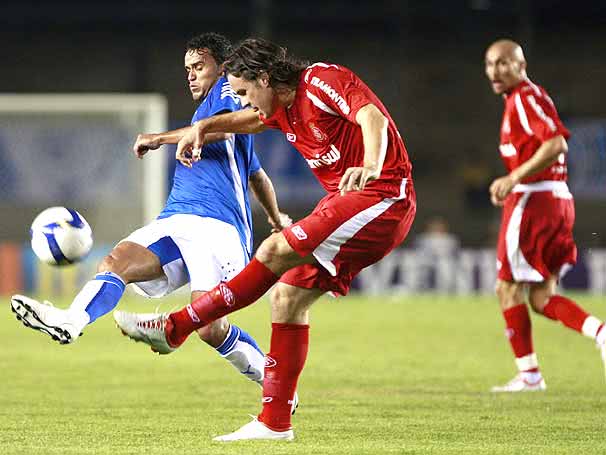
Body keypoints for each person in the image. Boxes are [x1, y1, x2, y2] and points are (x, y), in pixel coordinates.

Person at [115, 38, 416, 441]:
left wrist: (370, 165)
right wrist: (202, 127)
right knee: (286, 299)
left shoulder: (320, 80)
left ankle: (176, 326)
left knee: (275, 249)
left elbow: (371, 118)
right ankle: (275, 423)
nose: (242, 102)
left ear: (265, 78)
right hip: (350, 203)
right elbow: (249, 122)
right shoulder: (278, 110)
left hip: (383, 195)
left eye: (243, 92)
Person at [11, 32, 292, 390]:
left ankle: (277, 386)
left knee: (210, 328)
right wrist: (275, 216)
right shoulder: (209, 112)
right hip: (178, 219)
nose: (190, 75)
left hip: (218, 228)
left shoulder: (225, 92)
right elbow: (258, 175)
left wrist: (160, 138)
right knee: (116, 262)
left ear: (221, 68)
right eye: (187, 68)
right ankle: (71, 321)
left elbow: (216, 133)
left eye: (198, 67)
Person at [484, 39, 606, 392]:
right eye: (490, 64)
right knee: (541, 297)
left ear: (521, 65)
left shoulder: (523, 98)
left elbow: (556, 144)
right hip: (554, 201)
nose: (495, 70)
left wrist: (513, 177)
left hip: (534, 203)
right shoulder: (524, 99)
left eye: (504, 63)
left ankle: (530, 376)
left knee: (507, 289)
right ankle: (599, 333)